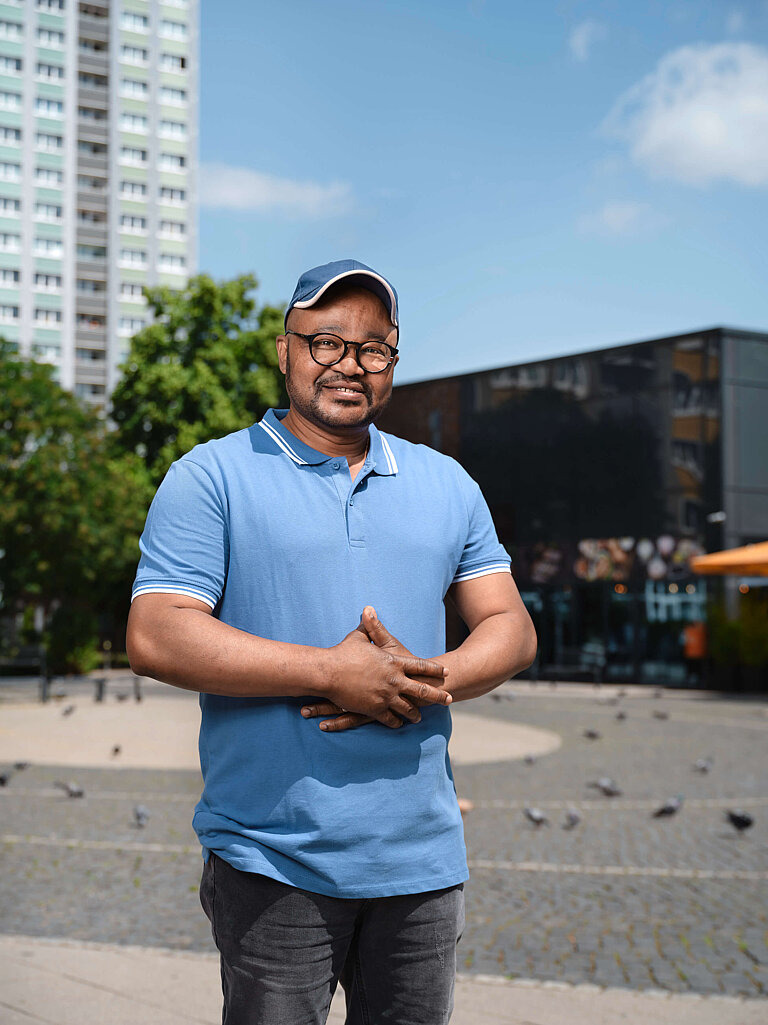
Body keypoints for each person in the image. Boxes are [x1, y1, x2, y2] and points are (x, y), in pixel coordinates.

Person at [127, 258, 537, 1025]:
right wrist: (334, 672)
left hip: (420, 858)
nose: (350, 363)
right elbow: (154, 633)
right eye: (326, 341)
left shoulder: (448, 482)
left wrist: (419, 678)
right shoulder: (210, 475)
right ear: (284, 351)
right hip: (271, 857)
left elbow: (511, 627)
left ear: (392, 365)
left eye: (374, 347)